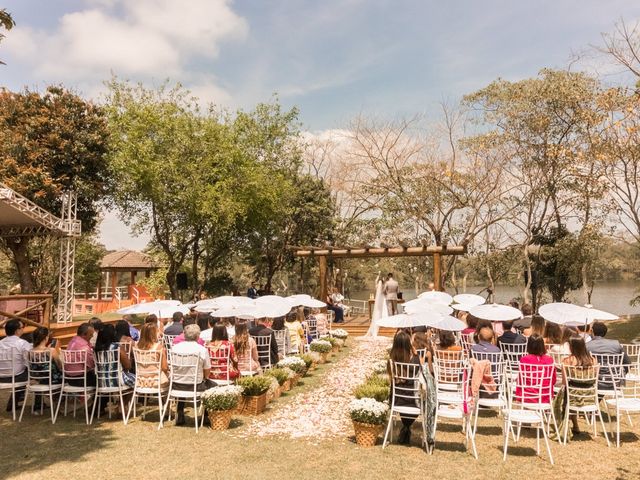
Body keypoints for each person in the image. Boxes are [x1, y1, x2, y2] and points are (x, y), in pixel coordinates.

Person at [170, 324, 215, 425]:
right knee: (213, 385)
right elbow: (207, 371)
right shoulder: (201, 350)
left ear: (184, 335)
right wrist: (203, 377)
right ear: (198, 336)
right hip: (195, 386)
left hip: (176, 385)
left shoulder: (174, 348)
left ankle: (180, 412)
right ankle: (206, 415)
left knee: (183, 379)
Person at [559, 335, 598, 436]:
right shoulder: (593, 360)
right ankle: (575, 425)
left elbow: (564, 383)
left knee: (564, 394)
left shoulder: (566, 361)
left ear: (572, 347)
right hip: (590, 396)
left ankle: (567, 425)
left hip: (573, 397)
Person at [388, 330, 421, 445]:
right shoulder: (415, 359)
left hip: (396, 399)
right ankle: (407, 426)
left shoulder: (392, 359)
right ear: (408, 344)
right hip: (413, 400)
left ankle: (406, 427)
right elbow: (419, 372)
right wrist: (415, 354)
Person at [0, 319, 32, 412]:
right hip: (16, 377)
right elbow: (28, 362)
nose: (23, 330)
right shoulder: (22, 343)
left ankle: (14, 402)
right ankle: (38, 404)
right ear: (17, 330)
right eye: (22, 328)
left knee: (22, 371)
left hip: (1, 377)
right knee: (35, 372)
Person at [515, 334, 556, 404]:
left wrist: (518, 396)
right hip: (545, 397)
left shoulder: (524, 359)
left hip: (528, 396)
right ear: (542, 345)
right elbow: (553, 380)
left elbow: (520, 380)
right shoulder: (550, 360)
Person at [135, 323, 169, 390]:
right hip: (156, 381)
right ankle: (164, 400)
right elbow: (164, 368)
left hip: (141, 381)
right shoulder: (158, 347)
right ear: (154, 334)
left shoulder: (136, 346)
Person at [366, 272, 388, 337]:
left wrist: (378, 275)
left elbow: (375, 281)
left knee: (377, 311)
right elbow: (386, 292)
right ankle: (384, 321)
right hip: (383, 300)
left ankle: (379, 321)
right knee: (384, 310)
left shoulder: (377, 286)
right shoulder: (384, 287)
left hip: (378, 301)